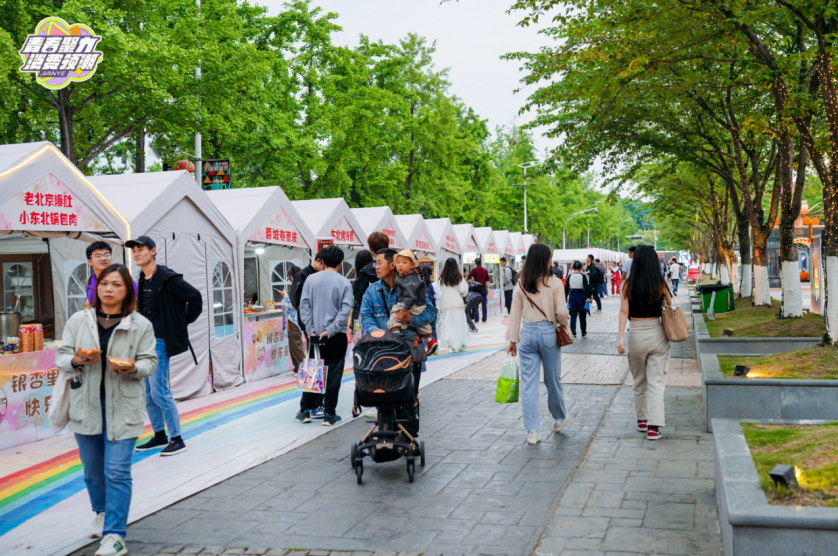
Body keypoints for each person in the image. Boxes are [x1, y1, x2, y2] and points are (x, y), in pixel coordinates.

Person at [57, 264, 158, 556]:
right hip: (85, 406)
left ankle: (115, 535)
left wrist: (133, 368)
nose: (109, 289)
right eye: (104, 284)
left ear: (127, 291)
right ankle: (101, 511)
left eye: (116, 284)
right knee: (92, 471)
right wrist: (76, 360)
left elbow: (150, 361)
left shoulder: (140, 324)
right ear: (96, 287)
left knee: (116, 471)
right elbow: (61, 356)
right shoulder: (79, 320)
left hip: (123, 406)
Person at [129, 236, 201, 456]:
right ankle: (160, 435)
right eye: (134, 251)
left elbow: (195, 297)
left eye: (141, 249)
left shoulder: (167, 278)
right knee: (148, 393)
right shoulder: (143, 278)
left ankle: (177, 438)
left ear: (153, 251)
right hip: (143, 341)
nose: (136, 253)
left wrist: (181, 322)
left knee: (159, 391)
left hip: (159, 341)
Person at [360, 248, 438, 436]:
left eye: (379, 262)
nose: (376, 266)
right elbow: (365, 316)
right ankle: (387, 434)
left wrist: (411, 319)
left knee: (407, 395)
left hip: (408, 350)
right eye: (375, 262)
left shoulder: (413, 285)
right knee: (383, 396)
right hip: (382, 352)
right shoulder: (372, 291)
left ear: (392, 265)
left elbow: (431, 313)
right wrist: (377, 332)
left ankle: (407, 435)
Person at [507, 243, 570, 445]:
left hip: (527, 334)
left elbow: (515, 314)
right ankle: (559, 418)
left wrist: (512, 340)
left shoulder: (521, 284)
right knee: (553, 379)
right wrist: (563, 325)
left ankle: (532, 431)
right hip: (548, 333)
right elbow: (562, 312)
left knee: (528, 384)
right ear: (547, 260)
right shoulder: (555, 283)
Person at [617, 245, 673, 441]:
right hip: (657, 332)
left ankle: (642, 420)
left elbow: (624, 312)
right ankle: (653, 428)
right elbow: (670, 305)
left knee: (639, 380)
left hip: (636, 333)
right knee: (656, 382)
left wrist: (620, 338)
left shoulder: (626, 285)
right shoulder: (661, 282)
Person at [295, 246, 353, 426]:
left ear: (322, 261)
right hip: (336, 335)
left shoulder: (310, 279)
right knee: (334, 373)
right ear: (340, 263)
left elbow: (304, 306)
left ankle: (305, 411)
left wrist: (310, 330)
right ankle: (329, 414)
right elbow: (345, 309)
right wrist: (332, 329)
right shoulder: (344, 282)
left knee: (312, 370)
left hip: (314, 334)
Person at [289, 252, 325, 417]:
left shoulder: (320, 275)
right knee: (313, 364)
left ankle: (315, 404)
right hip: (310, 326)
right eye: (324, 264)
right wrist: (309, 326)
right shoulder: (302, 276)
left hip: (321, 326)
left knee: (320, 364)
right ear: (318, 260)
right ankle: (308, 406)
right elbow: (296, 302)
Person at [388, 249, 438, 355]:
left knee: (394, 315)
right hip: (419, 305)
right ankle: (430, 340)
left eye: (404, 262)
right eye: (398, 262)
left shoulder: (407, 279)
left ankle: (396, 338)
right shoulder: (412, 277)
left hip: (411, 304)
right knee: (421, 325)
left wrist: (405, 308)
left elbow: (410, 295)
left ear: (412, 265)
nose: (400, 265)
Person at [84, 242, 138, 307]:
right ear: (90, 262)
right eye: (98, 256)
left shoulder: (122, 277)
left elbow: (137, 300)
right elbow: (89, 302)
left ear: (111, 259)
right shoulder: (89, 280)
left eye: (107, 255)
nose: (103, 258)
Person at [437, 258, 470, 352]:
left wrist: (440, 307)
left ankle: (450, 347)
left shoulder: (441, 279)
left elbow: (439, 295)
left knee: (448, 327)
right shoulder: (459, 278)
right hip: (458, 305)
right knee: (459, 326)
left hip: (446, 306)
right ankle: (460, 344)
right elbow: (463, 291)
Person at [564, 261, 592, 339]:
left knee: (573, 317)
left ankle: (573, 333)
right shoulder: (583, 276)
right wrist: (588, 297)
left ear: (573, 268)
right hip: (581, 297)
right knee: (582, 317)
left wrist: (565, 299)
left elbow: (566, 289)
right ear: (581, 268)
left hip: (572, 297)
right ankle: (583, 332)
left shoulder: (570, 276)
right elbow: (586, 287)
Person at [284, 266, 304, 373]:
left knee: (296, 345)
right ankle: (297, 368)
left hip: (295, 320)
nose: (290, 279)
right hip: (294, 320)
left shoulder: (298, 286)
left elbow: (293, 304)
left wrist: (285, 296)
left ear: (292, 276)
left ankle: (304, 370)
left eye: (290, 277)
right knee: (293, 344)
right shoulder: (299, 285)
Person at [466, 259, 489, 323]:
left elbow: (469, 277)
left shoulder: (474, 270)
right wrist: (488, 289)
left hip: (476, 289)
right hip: (483, 288)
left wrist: (472, 283)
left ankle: (476, 319)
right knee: (484, 304)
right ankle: (484, 319)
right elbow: (488, 280)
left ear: (475, 263)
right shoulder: (485, 270)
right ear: (481, 262)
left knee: (476, 304)